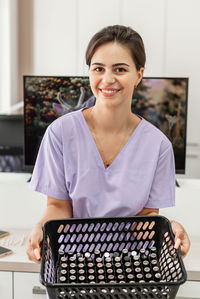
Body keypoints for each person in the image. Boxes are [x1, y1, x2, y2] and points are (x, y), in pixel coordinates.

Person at [26, 25, 190, 263]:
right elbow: (59, 207)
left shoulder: (159, 146)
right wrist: (42, 227)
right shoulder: (60, 133)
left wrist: (167, 228)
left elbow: (145, 218)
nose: (108, 79)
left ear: (139, 75)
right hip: (73, 264)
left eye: (120, 69)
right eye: (98, 69)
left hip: (132, 264)